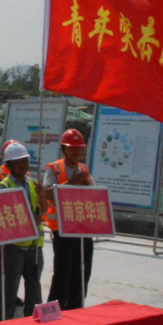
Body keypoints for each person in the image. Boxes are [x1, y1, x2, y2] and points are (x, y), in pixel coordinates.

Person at [44, 128, 94, 310]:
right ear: (64, 150)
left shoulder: (84, 170)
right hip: (62, 230)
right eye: (72, 149)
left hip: (83, 228)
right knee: (62, 274)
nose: (76, 152)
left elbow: (94, 195)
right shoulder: (54, 168)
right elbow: (48, 194)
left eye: (79, 149)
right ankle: (52, 311)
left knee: (82, 272)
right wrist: (73, 182)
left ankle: (76, 308)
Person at [0, 142, 45, 319]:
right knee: (10, 288)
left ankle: (33, 321)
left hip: (34, 246)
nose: (23, 165)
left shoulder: (33, 184)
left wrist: (42, 195)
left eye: (25, 161)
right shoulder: (3, 187)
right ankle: (4, 321)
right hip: (14, 246)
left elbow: (43, 209)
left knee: (34, 287)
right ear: (9, 165)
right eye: (18, 162)